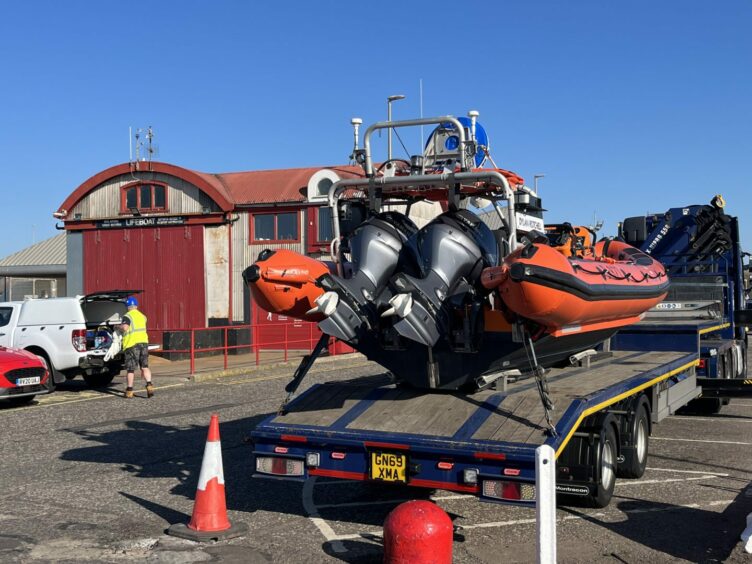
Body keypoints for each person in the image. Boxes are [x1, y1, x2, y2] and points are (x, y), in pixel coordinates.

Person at [120, 296, 154, 398]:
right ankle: (149, 385)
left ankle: (129, 391)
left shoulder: (127, 316)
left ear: (127, 306)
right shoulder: (143, 316)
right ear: (136, 305)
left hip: (132, 344)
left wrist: (118, 327)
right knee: (145, 367)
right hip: (143, 343)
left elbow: (125, 328)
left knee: (131, 369)